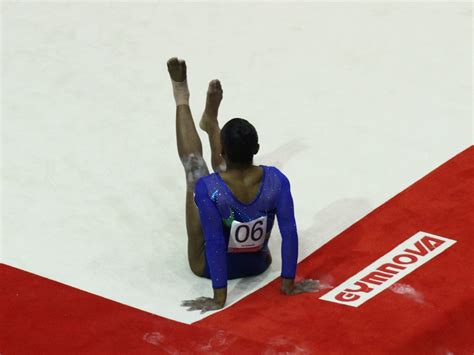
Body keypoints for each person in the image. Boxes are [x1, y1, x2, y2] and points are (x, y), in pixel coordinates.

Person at [167, 57, 319, 313]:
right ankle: (211, 123)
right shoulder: (276, 181)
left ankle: (181, 95)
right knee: (224, 178)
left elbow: (214, 241)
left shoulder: (209, 188)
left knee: (195, 168)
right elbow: (289, 232)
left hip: (206, 266)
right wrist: (288, 282)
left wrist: (219, 297)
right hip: (258, 264)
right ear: (257, 149)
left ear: (222, 150)